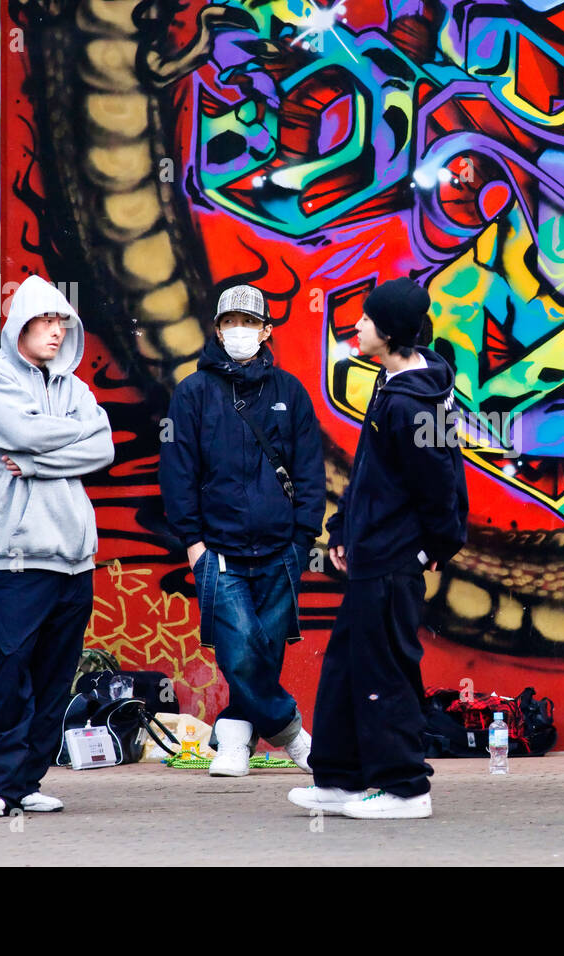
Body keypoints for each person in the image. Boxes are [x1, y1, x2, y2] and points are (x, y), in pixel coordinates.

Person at [288, 277, 468, 820]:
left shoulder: (412, 404)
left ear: (388, 333)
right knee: (347, 665)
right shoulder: (392, 387)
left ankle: (404, 788)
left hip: (395, 560)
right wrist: (343, 529)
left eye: (366, 320)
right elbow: (372, 474)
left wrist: (435, 546)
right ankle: (341, 778)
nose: (357, 327)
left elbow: (441, 485)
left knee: (384, 671)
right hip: (372, 553)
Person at [158, 283, 324, 775]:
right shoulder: (192, 394)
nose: (239, 332)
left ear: (266, 330)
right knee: (240, 649)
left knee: (262, 654)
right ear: (216, 328)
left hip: (281, 551)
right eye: (230, 322)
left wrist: (302, 539)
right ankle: (293, 734)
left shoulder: (290, 392)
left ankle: (233, 739)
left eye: (249, 323)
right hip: (219, 553)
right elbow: (177, 474)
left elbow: (311, 471)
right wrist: (193, 543)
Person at [0, 275, 114, 817]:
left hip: (75, 557)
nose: (57, 332)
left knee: (54, 678)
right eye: (47, 321)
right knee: (10, 672)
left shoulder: (75, 386)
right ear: (21, 323)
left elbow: (103, 446)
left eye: (62, 323)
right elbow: (17, 430)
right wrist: (53, 438)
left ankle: (24, 782)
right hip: (15, 555)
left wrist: (32, 462)